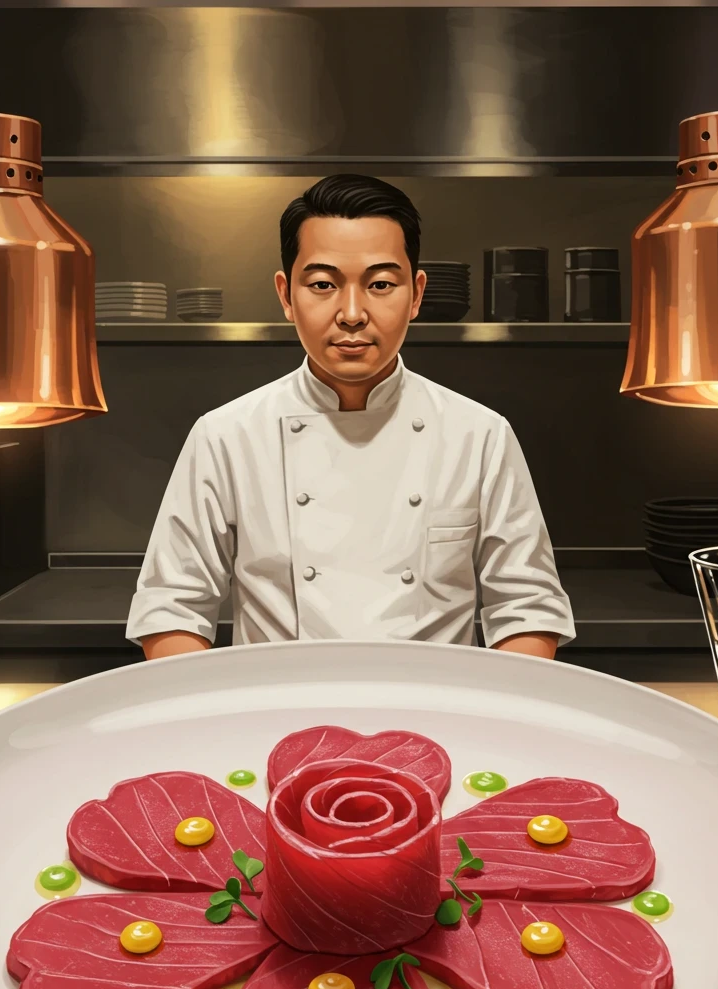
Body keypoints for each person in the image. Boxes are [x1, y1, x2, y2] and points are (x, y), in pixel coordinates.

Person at [126, 174, 575, 660]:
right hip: (280, 713)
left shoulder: (480, 435)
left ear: (417, 293)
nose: (353, 313)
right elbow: (173, 606)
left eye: (381, 284)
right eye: (323, 284)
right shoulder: (226, 435)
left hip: (433, 713)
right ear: (285, 296)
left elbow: (527, 607)